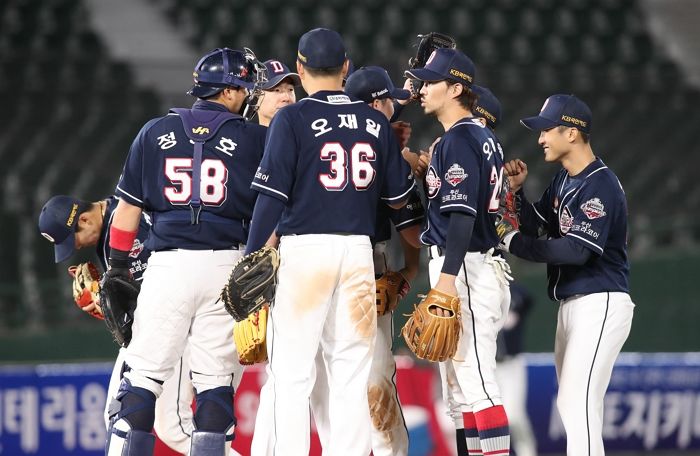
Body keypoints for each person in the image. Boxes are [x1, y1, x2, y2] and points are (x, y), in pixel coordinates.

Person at [246, 28, 415, 456]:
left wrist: (251, 257)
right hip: (358, 253)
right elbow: (397, 199)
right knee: (349, 377)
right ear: (345, 68)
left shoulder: (292, 118)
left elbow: (270, 199)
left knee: (292, 376)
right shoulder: (375, 121)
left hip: (305, 254)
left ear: (300, 70)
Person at [102, 47, 267, 455]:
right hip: (227, 265)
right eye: (243, 88)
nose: (246, 95)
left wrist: (119, 267)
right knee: (214, 386)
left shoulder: (154, 132)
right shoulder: (255, 138)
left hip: (167, 264)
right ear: (229, 91)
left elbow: (127, 211)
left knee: (141, 382)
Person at [500, 93, 635, 456]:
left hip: (601, 301)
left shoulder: (600, 185)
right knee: (574, 405)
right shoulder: (565, 179)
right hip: (575, 302)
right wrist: (517, 194)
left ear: (572, 133)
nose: (540, 138)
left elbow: (575, 251)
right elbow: (539, 227)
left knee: (577, 403)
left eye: (547, 130)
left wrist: (513, 243)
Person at [37, 195, 213, 455]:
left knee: (175, 428)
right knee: (117, 417)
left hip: (176, 327)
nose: (75, 247)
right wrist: (108, 300)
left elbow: (161, 291)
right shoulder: (112, 216)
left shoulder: (129, 223)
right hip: (154, 331)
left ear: (84, 220)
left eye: (73, 239)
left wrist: (108, 301)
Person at [308, 65, 424, 456]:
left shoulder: (311, 136)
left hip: (309, 266)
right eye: (389, 100)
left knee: (324, 381)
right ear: (376, 105)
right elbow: (410, 224)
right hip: (363, 262)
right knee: (372, 376)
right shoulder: (384, 146)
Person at [406, 48, 511, 456]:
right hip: (472, 264)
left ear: (456, 88)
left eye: (431, 82)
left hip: (465, 266)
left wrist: (446, 281)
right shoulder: (478, 138)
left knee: (479, 384)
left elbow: (463, 219)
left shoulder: (461, 139)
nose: (423, 88)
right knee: (462, 393)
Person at [495, 282, 537, 456]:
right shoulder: (475, 291)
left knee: (514, 416)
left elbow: (528, 298)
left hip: (511, 364)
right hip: (488, 366)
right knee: (490, 417)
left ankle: (527, 452)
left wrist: (509, 300)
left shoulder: (514, 292)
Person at [256, 59, 301, 127]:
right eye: (277, 90)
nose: (286, 98)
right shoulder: (242, 136)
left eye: (290, 89)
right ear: (255, 97)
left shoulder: (310, 134)